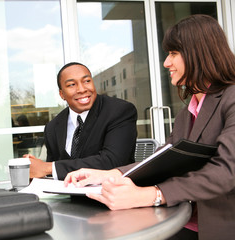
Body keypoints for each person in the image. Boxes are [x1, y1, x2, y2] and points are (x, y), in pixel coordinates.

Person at [64, 15, 235, 240]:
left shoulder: (231, 98)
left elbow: (226, 171)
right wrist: (107, 174)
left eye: (173, 53)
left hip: (218, 227)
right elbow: (161, 162)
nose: (166, 63)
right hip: (181, 220)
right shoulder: (188, 112)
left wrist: (152, 195)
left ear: (198, 53)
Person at [26, 62, 137, 180]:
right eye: (72, 84)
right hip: (67, 196)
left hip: (112, 193)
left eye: (87, 81)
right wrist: (36, 167)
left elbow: (113, 161)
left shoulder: (119, 111)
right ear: (62, 94)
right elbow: (54, 173)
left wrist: (48, 167)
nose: (82, 89)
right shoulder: (52, 127)